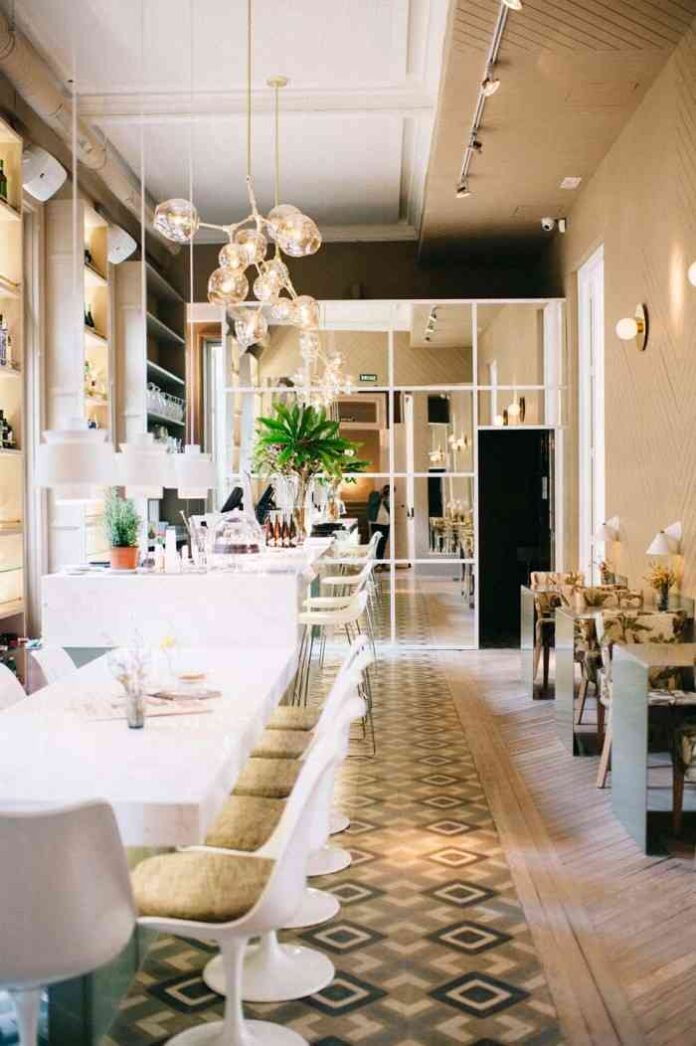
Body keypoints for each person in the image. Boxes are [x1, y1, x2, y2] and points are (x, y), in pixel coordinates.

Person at [367, 484, 390, 563]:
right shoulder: (374, 494)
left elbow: (390, 510)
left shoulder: (388, 498)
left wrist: (386, 499)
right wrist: (380, 495)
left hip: (386, 523)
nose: (387, 492)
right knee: (376, 543)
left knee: (382, 543)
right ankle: (375, 561)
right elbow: (372, 503)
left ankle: (380, 561)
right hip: (376, 522)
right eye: (386, 490)